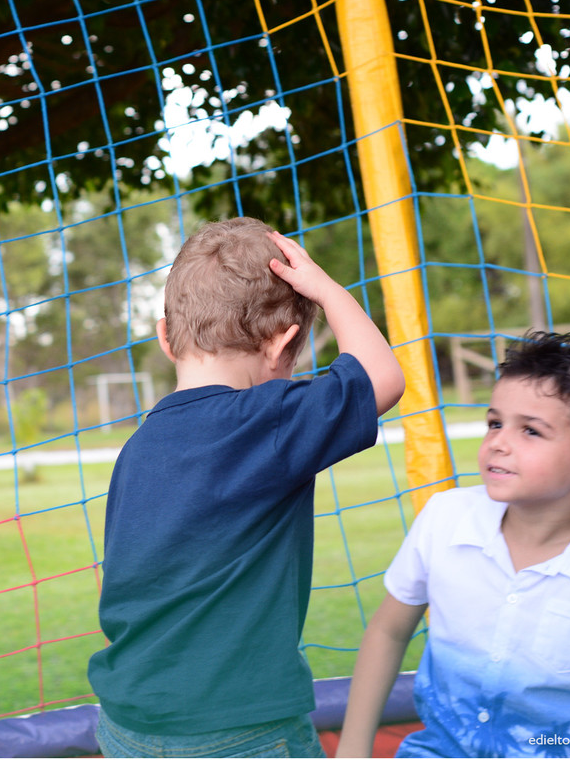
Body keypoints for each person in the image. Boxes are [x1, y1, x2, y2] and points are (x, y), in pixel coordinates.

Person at [87, 217, 406, 757]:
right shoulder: (268, 420)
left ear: (165, 337)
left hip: (127, 722)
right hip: (239, 727)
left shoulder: (138, 448)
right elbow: (383, 377)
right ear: (285, 345)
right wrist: (326, 290)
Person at [336, 331, 570, 758]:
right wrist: (352, 749)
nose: (498, 442)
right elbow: (387, 630)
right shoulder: (445, 518)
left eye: (530, 430)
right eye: (495, 422)